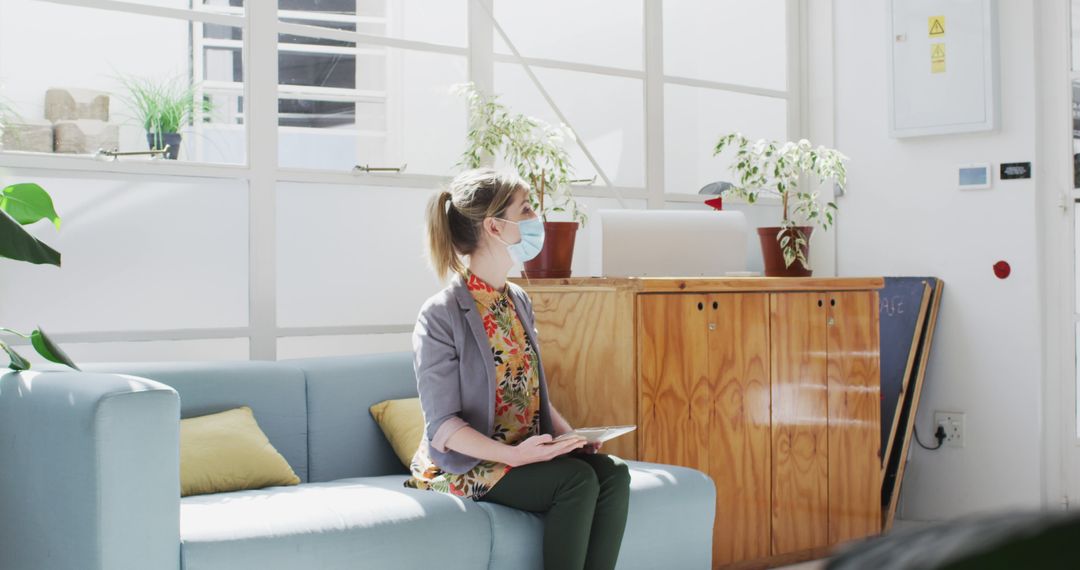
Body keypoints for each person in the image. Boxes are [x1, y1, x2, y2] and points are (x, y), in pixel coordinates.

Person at [406, 167, 631, 570]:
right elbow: (443, 427)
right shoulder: (440, 314)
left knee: (612, 473)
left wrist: (568, 436)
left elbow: (531, 391)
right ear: (494, 227)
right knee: (575, 482)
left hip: (524, 451)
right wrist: (515, 457)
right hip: (467, 464)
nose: (535, 218)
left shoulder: (518, 301)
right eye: (526, 209)